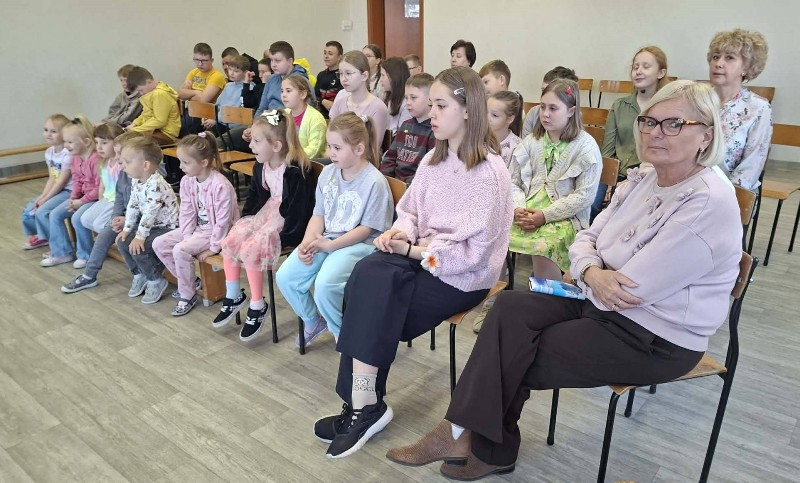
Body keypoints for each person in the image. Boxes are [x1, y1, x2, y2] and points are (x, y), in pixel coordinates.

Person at [385, 80, 742, 482]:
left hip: (655, 335)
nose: (655, 132)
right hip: (597, 301)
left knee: (516, 350)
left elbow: (631, 289)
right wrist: (592, 270)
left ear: (706, 135)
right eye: (649, 121)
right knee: (509, 308)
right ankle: (469, 439)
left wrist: (589, 269)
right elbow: (587, 236)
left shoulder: (707, 201)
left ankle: (474, 442)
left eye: (674, 124)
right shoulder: (645, 177)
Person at [314, 67, 514, 459]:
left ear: (468, 110)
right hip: (422, 256)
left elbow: (472, 253)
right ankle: (362, 403)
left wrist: (412, 251)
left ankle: (363, 405)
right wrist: (399, 233)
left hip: (463, 275)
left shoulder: (489, 173)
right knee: (366, 274)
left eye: (441, 106)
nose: (431, 114)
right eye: (432, 105)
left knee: (377, 298)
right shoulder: (434, 160)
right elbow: (410, 212)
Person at [275, 112, 393, 348]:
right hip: (328, 239)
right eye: (329, 146)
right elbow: (319, 214)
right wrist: (308, 242)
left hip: (361, 245)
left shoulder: (374, 182)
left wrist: (329, 246)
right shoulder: (328, 173)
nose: (331, 153)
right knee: (286, 276)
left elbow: (366, 229)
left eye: (337, 148)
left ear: (359, 149)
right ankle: (313, 321)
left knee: (325, 285)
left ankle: (343, 336)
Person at [214, 110, 315, 340]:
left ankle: (258, 304)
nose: (251, 146)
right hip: (267, 214)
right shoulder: (261, 166)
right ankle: (233, 295)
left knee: (252, 248)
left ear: (277, 146)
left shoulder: (295, 171)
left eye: (257, 141)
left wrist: (286, 237)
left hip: (287, 223)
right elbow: (255, 198)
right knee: (231, 239)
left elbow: (300, 210)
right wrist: (245, 222)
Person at [508, 79, 601, 283]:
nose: (545, 114)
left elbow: (584, 196)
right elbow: (513, 182)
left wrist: (545, 215)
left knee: (544, 245)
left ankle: (548, 296)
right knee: (495, 233)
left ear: (571, 111)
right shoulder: (531, 141)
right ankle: (494, 294)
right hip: (527, 210)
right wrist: (517, 208)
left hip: (565, 217)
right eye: (542, 107)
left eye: (553, 108)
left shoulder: (586, 146)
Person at [153, 132, 238, 316]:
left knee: (179, 250)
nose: (180, 167)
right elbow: (187, 210)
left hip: (215, 233)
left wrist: (214, 247)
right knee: (159, 243)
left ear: (204, 162)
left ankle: (187, 294)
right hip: (198, 230)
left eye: (185, 162)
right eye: (180, 161)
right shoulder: (187, 181)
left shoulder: (220, 185)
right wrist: (186, 235)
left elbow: (223, 222)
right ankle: (192, 282)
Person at [61, 131, 146, 293]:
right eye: (117, 153)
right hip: (126, 217)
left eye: (121, 154)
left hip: (141, 221)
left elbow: (148, 209)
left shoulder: (147, 178)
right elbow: (119, 198)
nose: (118, 158)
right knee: (106, 234)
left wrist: (126, 219)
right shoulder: (124, 173)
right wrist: (116, 217)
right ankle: (89, 276)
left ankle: (140, 273)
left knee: (119, 238)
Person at [594, 46, 670, 221]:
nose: (638, 71)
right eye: (635, 67)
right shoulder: (620, 105)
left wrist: (633, 180)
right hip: (616, 174)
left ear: (661, 72)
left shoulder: (666, 108)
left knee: (624, 214)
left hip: (648, 176)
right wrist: (608, 180)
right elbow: (608, 150)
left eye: (646, 66)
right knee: (592, 205)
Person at [116, 137, 179, 304]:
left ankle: (156, 279)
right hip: (151, 227)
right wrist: (127, 229)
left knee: (139, 247)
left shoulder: (156, 184)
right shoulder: (137, 180)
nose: (123, 165)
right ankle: (140, 274)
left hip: (167, 228)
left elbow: (150, 213)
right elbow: (133, 205)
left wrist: (139, 237)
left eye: (127, 162)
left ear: (145, 165)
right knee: (122, 241)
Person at [707, 28, 772, 191]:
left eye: (729, 57)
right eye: (715, 56)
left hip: (731, 193)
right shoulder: (697, 99)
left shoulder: (758, 108)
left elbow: (751, 167)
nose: (718, 63)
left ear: (747, 67)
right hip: (688, 187)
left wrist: (721, 196)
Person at [41, 116, 100, 268]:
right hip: (82, 198)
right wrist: (73, 199)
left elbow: (99, 188)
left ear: (86, 142)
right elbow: (77, 180)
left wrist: (81, 201)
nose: (66, 145)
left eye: (70, 142)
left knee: (77, 218)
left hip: (95, 199)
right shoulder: (75, 158)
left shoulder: (95, 159)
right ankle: (62, 253)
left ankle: (86, 255)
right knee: (55, 214)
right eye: (65, 141)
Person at [236, 41, 311, 151]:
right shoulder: (271, 79)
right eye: (271, 60)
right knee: (236, 139)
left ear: (290, 61)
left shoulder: (300, 80)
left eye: (278, 60)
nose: (273, 64)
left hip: (285, 129)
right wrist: (253, 128)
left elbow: (304, 112)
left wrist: (263, 128)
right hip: (267, 125)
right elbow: (262, 108)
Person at [22, 114, 71, 250]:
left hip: (68, 191)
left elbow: (61, 182)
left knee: (42, 211)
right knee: (29, 208)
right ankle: (42, 235)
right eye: (46, 130)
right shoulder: (49, 152)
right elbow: (52, 178)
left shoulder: (68, 153)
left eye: (53, 131)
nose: (48, 134)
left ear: (64, 134)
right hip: (58, 189)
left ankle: (57, 245)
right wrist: (42, 197)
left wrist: (45, 199)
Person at [379, 73, 436, 184]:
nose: (408, 102)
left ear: (430, 99)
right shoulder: (406, 125)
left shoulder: (434, 130)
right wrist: (386, 180)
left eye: (413, 98)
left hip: (414, 186)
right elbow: (390, 157)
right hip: (395, 183)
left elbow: (427, 170)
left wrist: (405, 186)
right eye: (406, 98)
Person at [78, 123, 125, 247]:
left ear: (117, 144)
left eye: (104, 143)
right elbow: (102, 186)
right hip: (106, 199)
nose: (98, 147)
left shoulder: (122, 164)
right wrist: (100, 203)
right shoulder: (104, 163)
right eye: (97, 142)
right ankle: (105, 239)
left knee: (99, 225)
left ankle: (115, 236)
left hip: (117, 202)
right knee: (85, 219)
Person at [329, 51, 389, 145]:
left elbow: (374, 147)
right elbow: (330, 139)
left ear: (364, 76)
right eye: (340, 74)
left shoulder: (378, 107)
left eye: (348, 73)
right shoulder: (339, 104)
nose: (343, 79)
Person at [178, 42, 227, 136]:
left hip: (206, 114)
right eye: (197, 60)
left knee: (183, 129)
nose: (200, 64)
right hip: (191, 110)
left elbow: (204, 100)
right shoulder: (193, 72)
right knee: (177, 126)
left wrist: (189, 95)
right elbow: (180, 94)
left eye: (204, 60)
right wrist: (197, 92)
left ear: (212, 60)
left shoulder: (217, 76)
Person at [126, 66, 181, 145]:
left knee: (130, 142)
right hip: (154, 131)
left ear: (149, 82)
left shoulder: (160, 94)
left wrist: (137, 130)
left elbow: (160, 121)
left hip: (165, 134)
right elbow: (145, 113)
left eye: (141, 90)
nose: (141, 93)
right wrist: (134, 124)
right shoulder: (152, 94)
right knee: (126, 138)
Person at [521, 66, 579, 138]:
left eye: (553, 108)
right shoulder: (534, 112)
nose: (545, 95)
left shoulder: (584, 142)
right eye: (543, 91)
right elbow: (525, 141)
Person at [202, 55, 253, 132]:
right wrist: (208, 116)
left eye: (236, 71)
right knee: (197, 124)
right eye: (230, 69)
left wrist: (216, 120)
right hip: (219, 120)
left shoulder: (249, 88)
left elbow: (236, 113)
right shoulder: (228, 85)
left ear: (245, 73)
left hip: (232, 125)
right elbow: (217, 105)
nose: (231, 73)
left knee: (210, 132)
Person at [282, 74, 327, 158]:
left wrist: (290, 157)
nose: (283, 94)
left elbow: (314, 150)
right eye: (282, 91)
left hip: (307, 163)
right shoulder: (283, 114)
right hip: (285, 160)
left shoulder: (316, 118)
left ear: (302, 94)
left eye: (288, 91)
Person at [379, 57, 412, 136]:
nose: (380, 79)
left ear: (393, 76)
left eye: (383, 75)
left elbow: (403, 134)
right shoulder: (385, 96)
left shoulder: (406, 103)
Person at [316, 41, 344, 118]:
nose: (326, 56)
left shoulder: (343, 76)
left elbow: (341, 100)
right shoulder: (321, 75)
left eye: (330, 54)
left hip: (338, 117)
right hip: (320, 116)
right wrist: (323, 101)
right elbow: (315, 96)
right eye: (325, 53)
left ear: (339, 57)